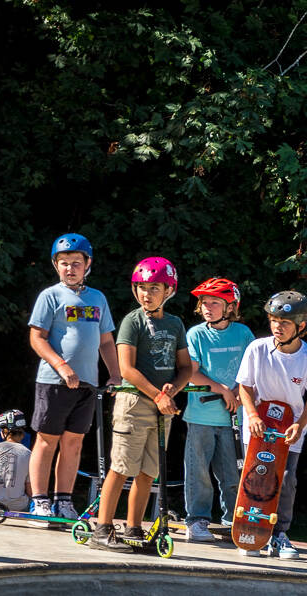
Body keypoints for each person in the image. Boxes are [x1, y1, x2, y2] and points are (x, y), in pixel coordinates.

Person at [89, 257, 192, 552]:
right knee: (121, 467)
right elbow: (127, 369)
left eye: (154, 288)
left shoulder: (175, 323)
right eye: (142, 287)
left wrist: (173, 389)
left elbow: (185, 367)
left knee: (149, 471)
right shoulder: (132, 321)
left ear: (169, 290)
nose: (147, 294)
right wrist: (159, 395)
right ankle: (103, 529)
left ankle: (134, 528)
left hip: (163, 406)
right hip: (134, 402)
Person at [27, 234, 120, 525]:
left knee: (74, 442)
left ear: (87, 264)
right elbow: (37, 338)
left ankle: (63, 500)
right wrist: (61, 365)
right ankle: (39, 501)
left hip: (88, 383)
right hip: (54, 381)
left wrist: (115, 374)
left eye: (75, 263)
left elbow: (106, 341)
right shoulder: (50, 296)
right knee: (47, 440)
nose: (70, 268)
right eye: (64, 263)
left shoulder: (98, 298)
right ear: (56, 266)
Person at [234, 290, 307, 559]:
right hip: (258, 425)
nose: (277, 326)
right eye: (273, 320)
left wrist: (300, 425)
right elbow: (244, 386)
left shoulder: (306, 356)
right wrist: (251, 415)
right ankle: (250, 532)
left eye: (284, 322)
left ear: (301, 326)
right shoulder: (258, 348)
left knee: (285, 480)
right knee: (256, 478)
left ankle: (279, 536)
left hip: (291, 428)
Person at [182, 279, 254, 541]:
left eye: (215, 302)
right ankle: (198, 520)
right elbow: (191, 372)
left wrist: (237, 391)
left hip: (234, 417)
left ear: (230, 307)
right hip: (201, 415)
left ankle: (232, 520)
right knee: (198, 471)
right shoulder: (196, 334)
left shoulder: (243, 333)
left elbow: (251, 370)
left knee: (233, 471)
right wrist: (222, 389)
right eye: (204, 303)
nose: (207, 307)